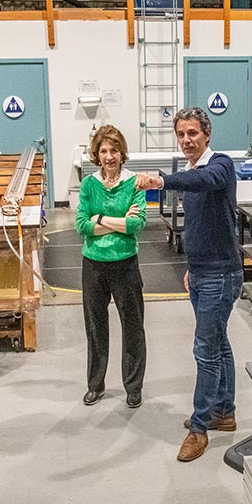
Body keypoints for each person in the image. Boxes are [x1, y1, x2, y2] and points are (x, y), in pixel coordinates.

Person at [136, 108, 243, 462]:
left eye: (193, 133)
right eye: (181, 134)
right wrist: (189, 266)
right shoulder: (191, 171)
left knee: (205, 350)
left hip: (222, 274)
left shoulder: (220, 166)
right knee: (218, 343)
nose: (186, 140)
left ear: (207, 134)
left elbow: (204, 182)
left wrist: (161, 181)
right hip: (200, 272)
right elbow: (196, 225)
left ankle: (200, 428)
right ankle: (224, 412)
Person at [74, 125, 148, 408]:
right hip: (93, 265)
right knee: (95, 328)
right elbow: (81, 225)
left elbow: (137, 224)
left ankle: (133, 387)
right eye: (104, 151)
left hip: (125, 264)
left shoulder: (133, 184)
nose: (109, 156)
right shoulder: (89, 185)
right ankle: (95, 384)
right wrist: (116, 222)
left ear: (122, 153)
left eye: (114, 150)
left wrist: (100, 220)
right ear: (97, 154)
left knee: (132, 327)